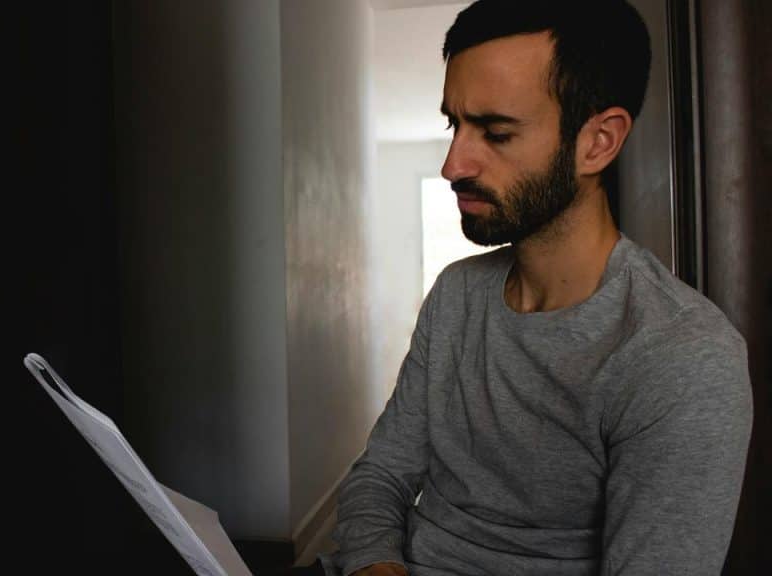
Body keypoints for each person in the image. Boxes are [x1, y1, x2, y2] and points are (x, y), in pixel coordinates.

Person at [316, 1, 753, 575]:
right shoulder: (457, 295)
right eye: (455, 125)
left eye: (495, 132)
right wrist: (376, 566)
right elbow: (380, 474)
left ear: (598, 142)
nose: (453, 165)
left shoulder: (683, 356)